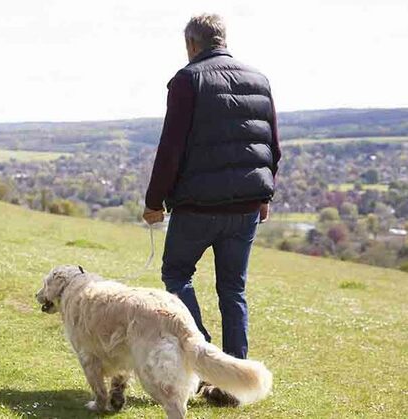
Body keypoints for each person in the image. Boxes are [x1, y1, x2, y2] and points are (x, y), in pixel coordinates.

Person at [142, 13, 281, 406]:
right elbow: (271, 144)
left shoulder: (188, 80)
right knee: (233, 290)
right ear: (222, 39)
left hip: (198, 206)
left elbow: (170, 149)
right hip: (246, 207)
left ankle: (205, 363)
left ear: (191, 43)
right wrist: (264, 198)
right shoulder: (259, 78)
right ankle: (234, 381)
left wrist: (154, 202)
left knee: (175, 273)